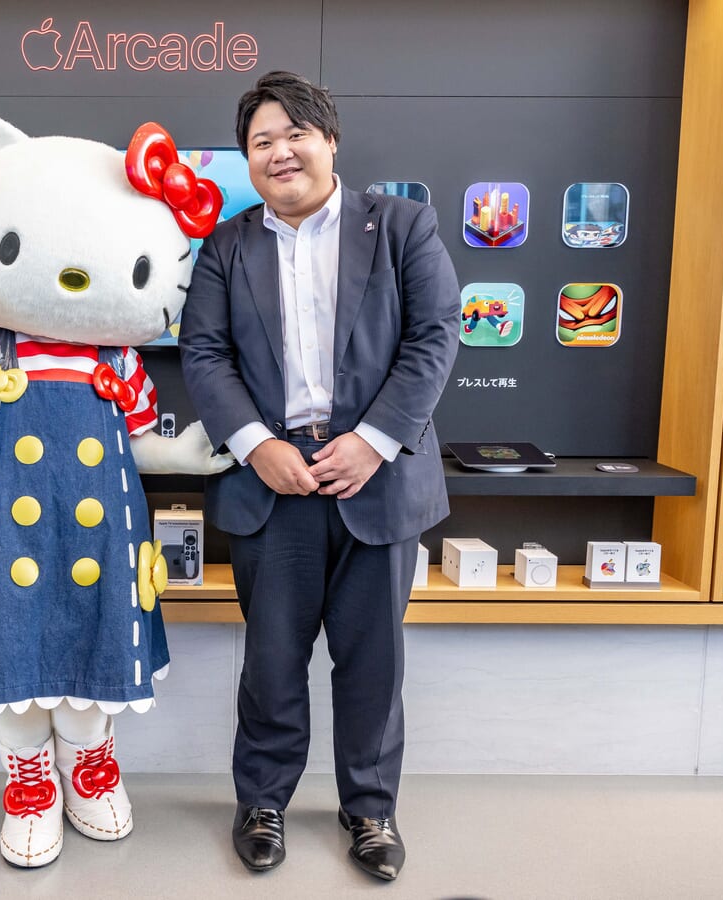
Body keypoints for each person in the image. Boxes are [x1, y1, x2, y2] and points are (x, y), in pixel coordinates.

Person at [178, 70, 460, 881]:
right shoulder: (227, 246)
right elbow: (204, 352)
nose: (280, 152)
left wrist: (373, 441)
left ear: (329, 140)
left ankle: (370, 809)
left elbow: (436, 334)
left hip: (377, 480)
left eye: (294, 134)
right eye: (261, 141)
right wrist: (255, 444)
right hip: (272, 485)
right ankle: (261, 802)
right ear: (248, 159)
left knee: (374, 663)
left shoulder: (401, 226)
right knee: (271, 662)